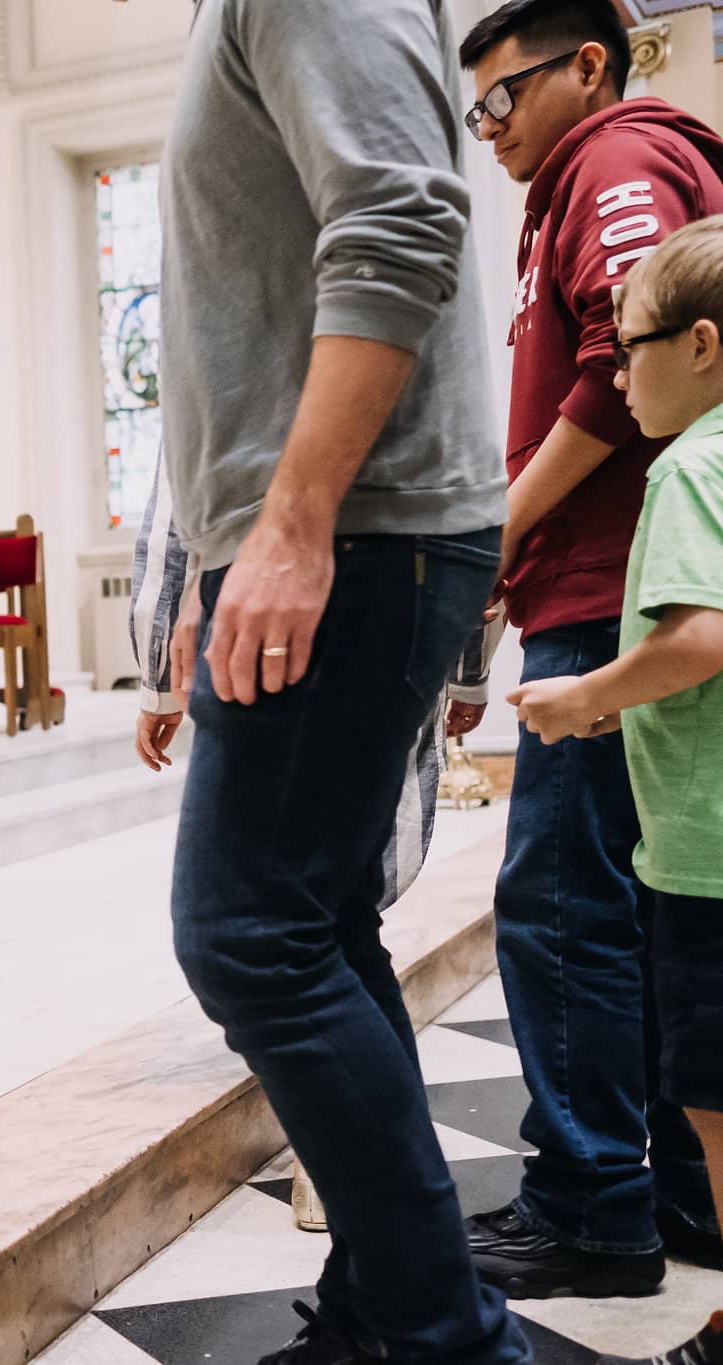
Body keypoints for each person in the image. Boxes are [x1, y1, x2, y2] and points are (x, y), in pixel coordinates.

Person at [163, 1, 528, 1361]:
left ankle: (448, 1338)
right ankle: (389, 1315)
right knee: (311, 923)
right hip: (342, 525)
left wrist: (296, 515)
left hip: (355, 524)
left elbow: (401, 219)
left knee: (248, 935)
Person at [454, 0, 723, 1295]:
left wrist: (503, 531)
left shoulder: (613, 163)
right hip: (599, 578)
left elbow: (628, 355)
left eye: (503, 95)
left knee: (563, 908)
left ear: (589, 66)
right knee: (632, 913)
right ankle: (672, 1192)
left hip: (616, 594)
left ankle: (589, 1205)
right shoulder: (584, 177)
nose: (489, 126)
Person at [508, 221, 723, 1365]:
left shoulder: (688, 465)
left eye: (626, 349)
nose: (611, 372)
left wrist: (585, 695)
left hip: (706, 848)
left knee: (711, 1100)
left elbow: (697, 634)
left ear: (697, 345)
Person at [132, 460, 445, 1238]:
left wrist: (156, 678)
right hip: (406, 588)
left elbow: (181, 498)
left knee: (257, 937)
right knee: (340, 922)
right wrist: (464, 673)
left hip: (278, 610)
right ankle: (389, 1254)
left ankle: (376, 1218)